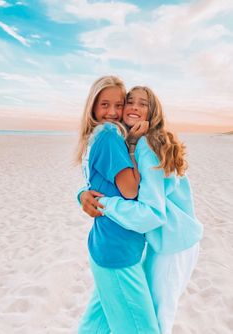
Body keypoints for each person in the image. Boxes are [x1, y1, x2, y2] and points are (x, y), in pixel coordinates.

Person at [78, 85, 204, 334]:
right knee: (107, 316)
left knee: (158, 315)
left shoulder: (147, 145)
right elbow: (101, 180)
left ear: (153, 112)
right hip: (159, 240)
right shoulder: (130, 142)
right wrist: (82, 194)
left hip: (172, 242)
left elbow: (151, 214)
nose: (132, 107)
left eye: (142, 104)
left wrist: (105, 204)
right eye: (130, 101)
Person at [76, 76, 160, 333]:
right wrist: (133, 145)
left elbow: (94, 184)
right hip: (117, 252)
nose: (113, 112)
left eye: (118, 104)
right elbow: (130, 188)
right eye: (104, 105)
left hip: (105, 246)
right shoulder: (112, 137)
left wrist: (81, 195)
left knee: (95, 327)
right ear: (93, 106)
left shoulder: (97, 138)